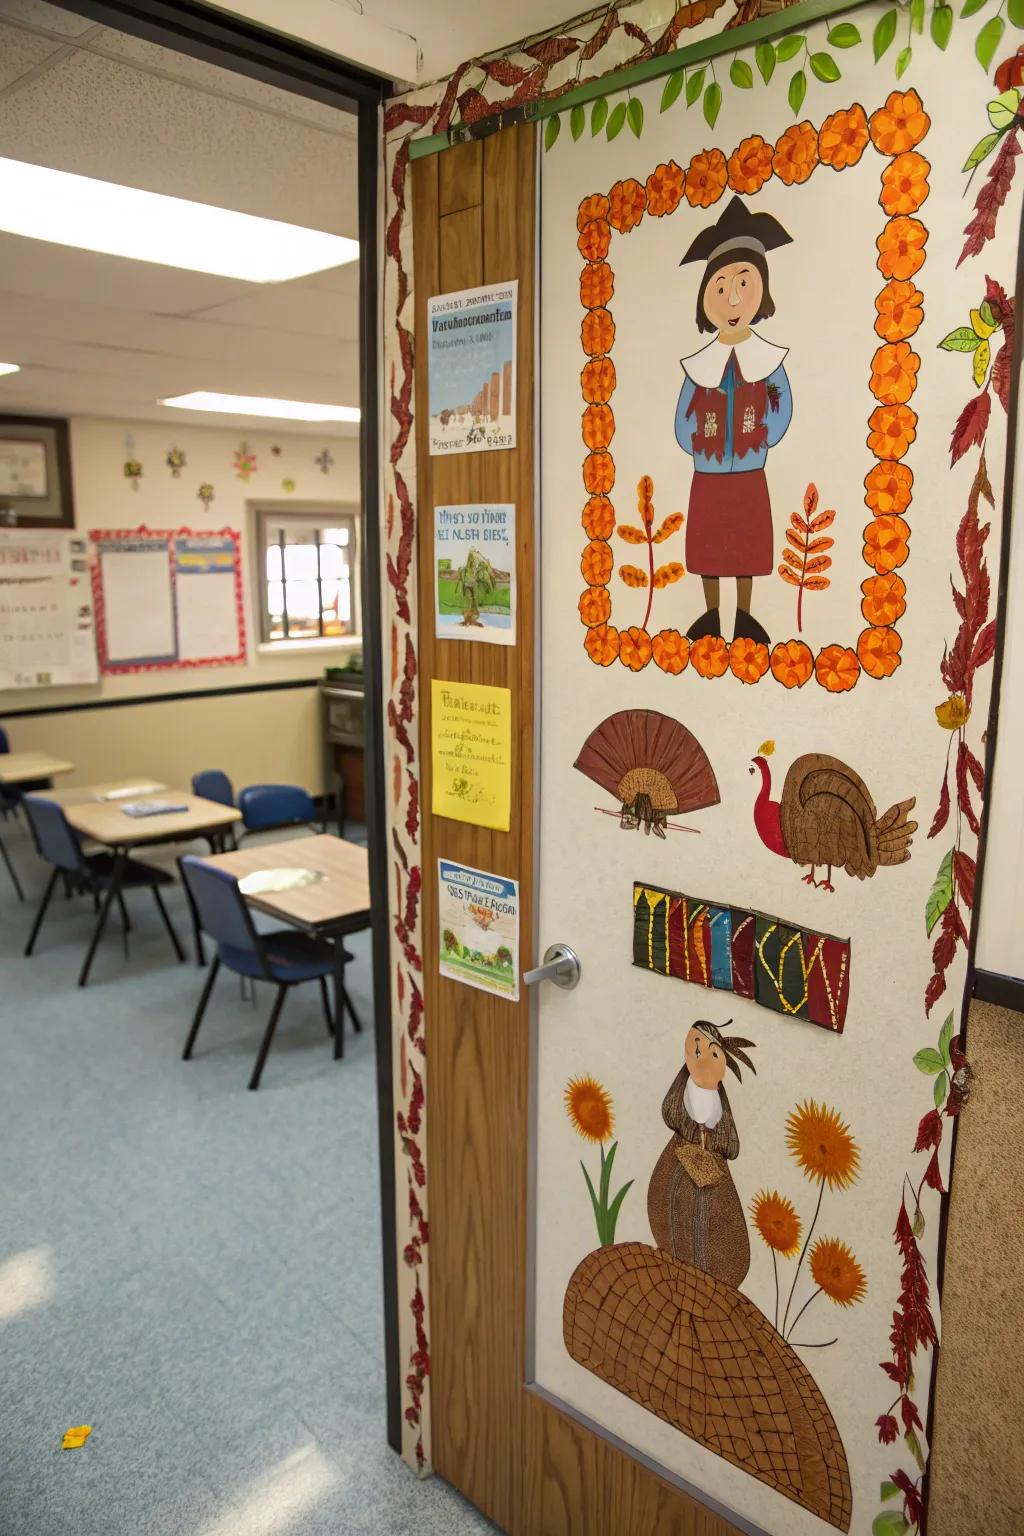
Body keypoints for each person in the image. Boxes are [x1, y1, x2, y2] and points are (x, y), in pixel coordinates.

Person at [675, 196, 793, 646]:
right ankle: (709, 616)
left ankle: (743, 617)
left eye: (744, 284)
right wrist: (696, 441)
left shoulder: (767, 359)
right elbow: (683, 418)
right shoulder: (699, 363)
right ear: (705, 297)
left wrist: (762, 437)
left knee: (744, 547)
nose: (733, 298)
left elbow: (780, 408)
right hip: (707, 472)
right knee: (707, 547)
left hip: (748, 470)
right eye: (720, 287)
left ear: (762, 290)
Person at [647, 1018, 756, 1287]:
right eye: (697, 1047)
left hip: (713, 1166)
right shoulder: (682, 1095)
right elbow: (671, 1112)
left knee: (711, 1216)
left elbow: (730, 1142)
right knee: (674, 1204)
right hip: (680, 1154)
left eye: (713, 1053)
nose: (703, 1056)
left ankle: (709, 1276)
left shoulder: (719, 1103)